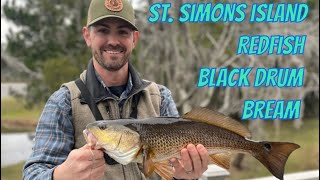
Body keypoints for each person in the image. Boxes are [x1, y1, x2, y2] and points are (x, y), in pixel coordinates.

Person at [22, 0, 209, 179]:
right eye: (103, 31)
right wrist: (59, 176)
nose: (113, 41)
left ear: (134, 39)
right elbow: (32, 174)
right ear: (87, 36)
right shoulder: (63, 102)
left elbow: (174, 171)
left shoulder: (160, 97)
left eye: (123, 32)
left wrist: (184, 177)